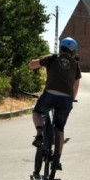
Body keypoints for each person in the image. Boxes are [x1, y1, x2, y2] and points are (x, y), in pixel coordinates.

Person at [28, 37, 82, 168]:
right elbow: (76, 86)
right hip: (66, 99)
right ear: (73, 51)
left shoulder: (52, 58)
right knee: (60, 128)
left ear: (61, 47)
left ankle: (40, 133)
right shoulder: (75, 64)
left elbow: (32, 65)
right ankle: (56, 159)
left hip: (49, 94)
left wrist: (40, 60)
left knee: (37, 112)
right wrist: (71, 98)